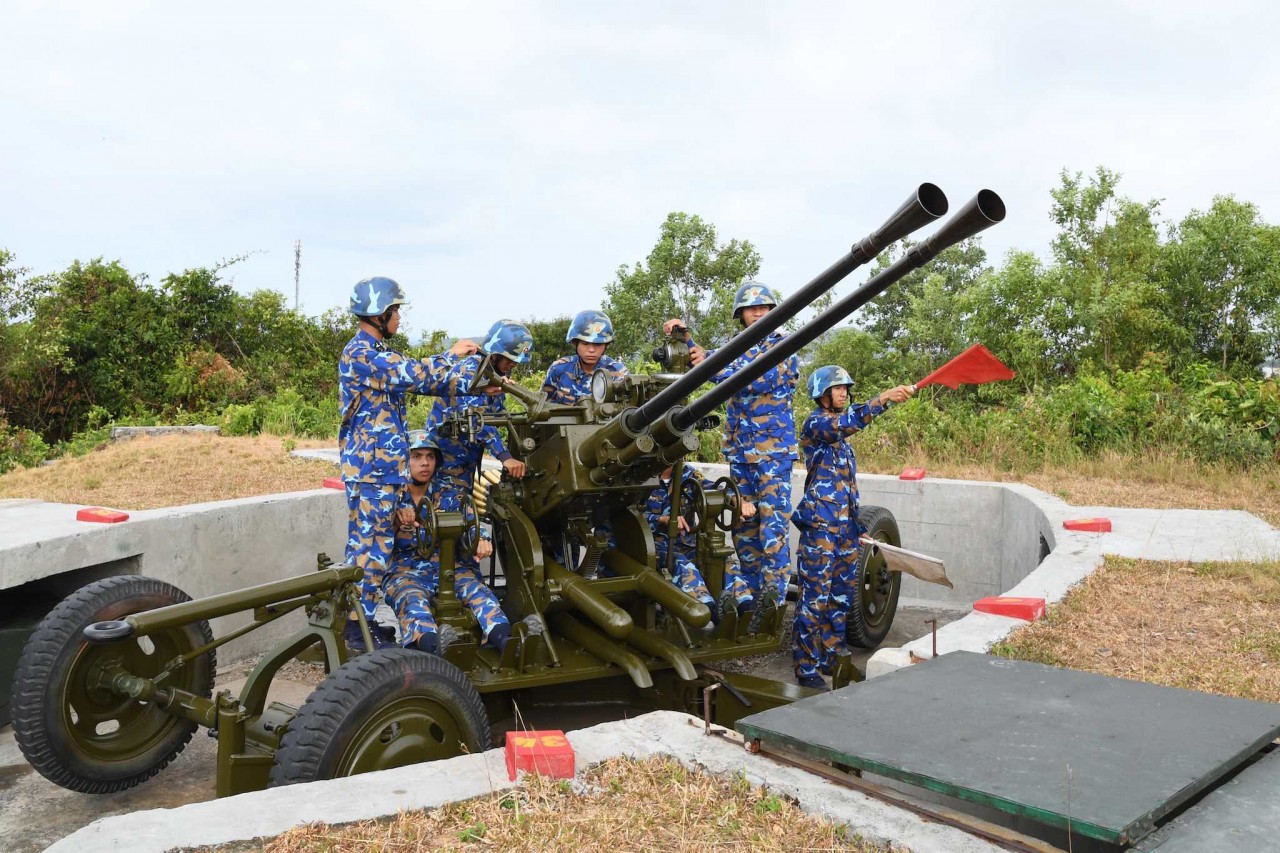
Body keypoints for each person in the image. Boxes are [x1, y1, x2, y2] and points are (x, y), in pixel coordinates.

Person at [339, 275, 477, 650]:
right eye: (396, 309)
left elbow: (426, 382)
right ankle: (354, 630)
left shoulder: (377, 352)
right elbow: (414, 374)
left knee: (378, 549)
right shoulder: (363, 354)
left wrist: (473, 382)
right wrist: (451, 356)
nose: (399, 316)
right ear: (379, 313)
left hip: (383, 471)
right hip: (370, 472)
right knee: (368, 550)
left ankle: (363, 623)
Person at [663, 281, 799, 627]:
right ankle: (751, 603)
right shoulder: (739, 349)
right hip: (741, 454)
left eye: (764, 308)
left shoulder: (783, 345)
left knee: (772, 531)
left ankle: (774, 608)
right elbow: (715, 366)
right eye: (751, 309)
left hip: (771, 455)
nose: (758, 313)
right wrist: (687, 340)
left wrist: (706, 359)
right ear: (741, 315)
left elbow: (747, 377)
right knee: (744, 529)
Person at [791, 365, 913, 689]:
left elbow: (847, 488)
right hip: (821, 530)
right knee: (813, 602)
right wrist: (885, 398)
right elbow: (850, 422)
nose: (844, 392)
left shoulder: (843, 446)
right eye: (837, 388)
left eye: (846, 387)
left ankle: (836, 660)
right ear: (822, 393)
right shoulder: (817, 424)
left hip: (844, 532)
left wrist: (857, 526)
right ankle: (806, 669)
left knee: (840, 600)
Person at [387, 430, 511, 654]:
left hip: (449, 566)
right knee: (411, 600)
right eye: (416, 457)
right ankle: (436, 649)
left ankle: (508, 642)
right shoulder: (390, 496)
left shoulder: (450, 494)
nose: (425, 463)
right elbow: (372, 536)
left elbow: (471, 521)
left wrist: (482, 540)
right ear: (404, 460)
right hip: (405, 570)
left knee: (479, 594)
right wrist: (394, 520)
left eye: (430, 457)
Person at [644, 463, 756, 624]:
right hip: (654, 544)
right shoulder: (639, 476)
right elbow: (630, 513)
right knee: (683, 565)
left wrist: (734, 499)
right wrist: (661, 519)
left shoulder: (687, 473)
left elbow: (712, 488)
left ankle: (745, 607)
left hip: (684, 542)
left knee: (723, 560)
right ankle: (708, 609)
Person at [542, 309, 630, 405]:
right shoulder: (558, 369)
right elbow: (543, 406)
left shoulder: (618, 373)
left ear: (606, 345)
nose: (591, 350)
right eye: (585, 343)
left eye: (598, 344)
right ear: (575, 343)